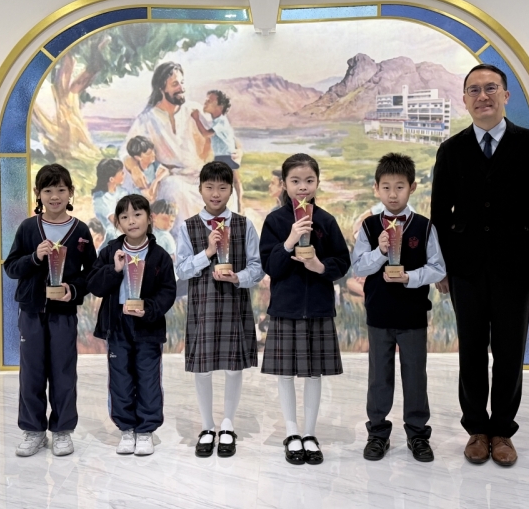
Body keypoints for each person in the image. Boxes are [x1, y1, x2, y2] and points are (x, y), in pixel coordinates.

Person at [431, 64, 529, 467]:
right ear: (464, 99)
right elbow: (439, 214)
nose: (482, 96)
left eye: (490, 88)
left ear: (505, 95)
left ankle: (502, 430)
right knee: (471, 350)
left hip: (516, 268)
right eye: (474, 90)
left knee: (508, 351)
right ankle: (476, 429)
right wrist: (440, 267)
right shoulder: (451, 150)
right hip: (464, 269)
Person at [351, 153, 446, 463]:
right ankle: (378, 433)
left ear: (412, 188)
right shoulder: (369, 226)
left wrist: (410, 278)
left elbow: (438, 268)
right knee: (379, 377)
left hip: (413, 316)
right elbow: (358, 267)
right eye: (387, 187)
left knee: (415, 376)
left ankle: (418, 434)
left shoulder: (424, 227)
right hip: (379, 315)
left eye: (400, 187)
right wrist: (380, 251)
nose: (393, 194)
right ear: (376, 188)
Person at [259, 153, 351, 466]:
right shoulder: (275, 221)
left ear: (317, 183)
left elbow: (342, 262)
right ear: (284, 184)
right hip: (285, 309)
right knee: (285, 374)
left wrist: (320, 266)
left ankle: (310, 434)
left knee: (314, 374)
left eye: (309, 180)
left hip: (318, 309)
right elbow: (271, 266)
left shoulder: (326, 221)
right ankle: (292, 432)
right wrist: (289, 241)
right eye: (295, 181)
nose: (302, 187)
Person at [4, 163, 96, 458]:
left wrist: (74, 289)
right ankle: (33, 431)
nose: (54, 196)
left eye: (60, 189)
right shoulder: (28, 228)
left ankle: (62, 431)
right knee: (31, 372)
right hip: (31, 312)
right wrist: (34, 256)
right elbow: (11, 267)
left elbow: (92, 274)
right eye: (48, 190)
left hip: (63, 314)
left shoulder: (80, 232)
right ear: (38, 194)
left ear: (70, 192)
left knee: (63, 372)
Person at [175, 161, 263, 458]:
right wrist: (208, 253)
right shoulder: (188, 226)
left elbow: (257, 267)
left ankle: (227, 424)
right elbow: (182, 270)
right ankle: (207, 426)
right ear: (200, 189)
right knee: (202, 367)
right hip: (203, 306)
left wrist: (238, 278)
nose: (216, 193)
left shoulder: (243, 224)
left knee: (233, 366)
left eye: (222, 188)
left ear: (230, 191)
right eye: (210, 187)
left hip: (234, 303)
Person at [87, 194, 176, 456]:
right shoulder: (110, 252)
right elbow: (94, 285)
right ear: (118, 222)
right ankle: (126, 429)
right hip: (117, 324)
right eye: (124, 216)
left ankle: (145, 430)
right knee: (120, 378)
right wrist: (113, 270)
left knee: (148, 378)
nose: (131, 221)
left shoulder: (159, 256)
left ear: (149, 218)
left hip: (148, 326)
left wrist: (149, 309)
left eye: (137, 214)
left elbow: (167, 292)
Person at [121, 62, 208, 229]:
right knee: (176, 190)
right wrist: (134, 167)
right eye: (175, 84)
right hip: (170, 178)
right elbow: (125, 151)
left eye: (182, 83)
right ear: (162, 88)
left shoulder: (194, 110)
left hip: (199, 176)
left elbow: (223, 137)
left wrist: (237, 152)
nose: (181, 88)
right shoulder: (147, 119)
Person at [191, 90, 244, 212]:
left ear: (219, 107)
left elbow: (206, 134)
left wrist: (196, 119)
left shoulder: (221, 121)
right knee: (230, 181)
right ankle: (235, 205)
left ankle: (239, 205)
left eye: (210, 101)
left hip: (227, 156)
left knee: (232, 181)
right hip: (220, 156)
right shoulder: (215, 122)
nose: (205, 103)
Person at [92, 158, 131, 244]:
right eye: (121, 173)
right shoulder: (100, 199)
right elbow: (115, 222)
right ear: (111, 179)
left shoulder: (123, 192)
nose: (124, 174)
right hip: (113, 239)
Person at [122, 135, 169, 201]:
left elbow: (166, 171)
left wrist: (155, 182)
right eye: (149, 153)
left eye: (153, 151)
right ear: (138, 157)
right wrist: (142, 193)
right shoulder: (132, 171)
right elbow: (127, 189)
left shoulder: (154, 165)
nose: (153, 154)